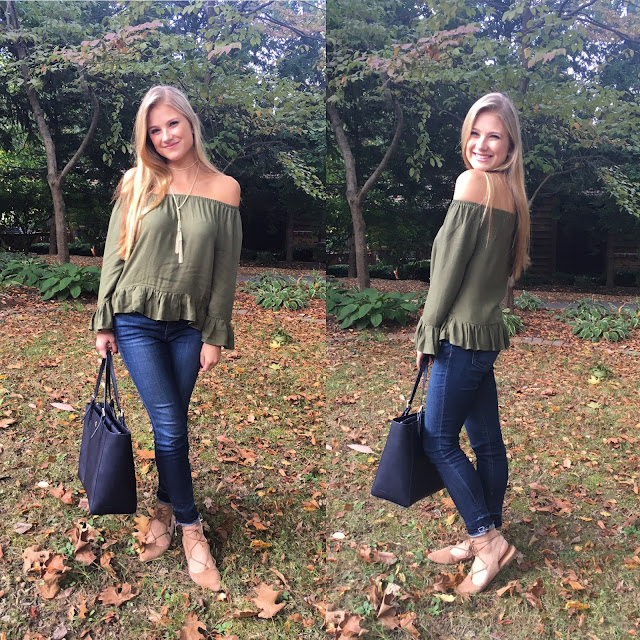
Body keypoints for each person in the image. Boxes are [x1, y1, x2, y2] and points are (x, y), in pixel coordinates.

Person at [91, 85, 242, 591]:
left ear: (190, 122)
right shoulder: (137, 181)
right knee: (171, 426)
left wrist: (215, 334)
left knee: (170, 424)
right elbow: (116, 254)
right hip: (136, 319)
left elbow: (224, 273)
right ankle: (192, 529)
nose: (165, 136)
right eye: (154, 130)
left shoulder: (225, 189)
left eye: (172, 123)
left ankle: (162, 506)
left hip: (190, 326)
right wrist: (104, 321)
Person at [415, 92, 530, 594]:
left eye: (494, 136)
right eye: (475, 134)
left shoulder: (473, 183)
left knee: (437, 440)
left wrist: (427, 332)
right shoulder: (511, 194)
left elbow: (448, 273)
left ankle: (486, 540)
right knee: (486, 443)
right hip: (484, 336)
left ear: (510, 145)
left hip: (460, 336)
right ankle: (487, 532)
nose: (481, 144)